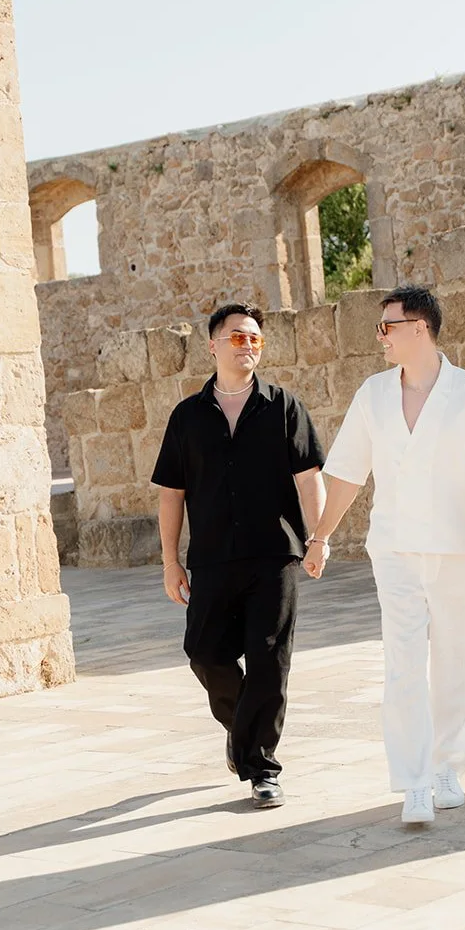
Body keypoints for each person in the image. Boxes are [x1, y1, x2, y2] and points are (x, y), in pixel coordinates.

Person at [303, 284, 465, 828]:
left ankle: (448, 767)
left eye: (387, 327)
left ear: (419, 329)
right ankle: (414, 781)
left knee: (455, 659)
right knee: (402, 664)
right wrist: (321, 535)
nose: (380, 337)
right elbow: (348, 472)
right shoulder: (373, 395)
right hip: (394, 549)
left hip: (453, 549)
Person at [152, 302, 325, 808]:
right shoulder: (187, 416)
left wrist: (319, 538)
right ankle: (244, 730)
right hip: (210, 559)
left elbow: (309, 476)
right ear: (212, 345)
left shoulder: (283, 406)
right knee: (204, 654)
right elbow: (171, 494)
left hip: (275, 556)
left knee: (270, 662)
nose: (246, 345)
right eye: (235, 337)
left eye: (254, 338)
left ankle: (262, 769)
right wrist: (170, 560)